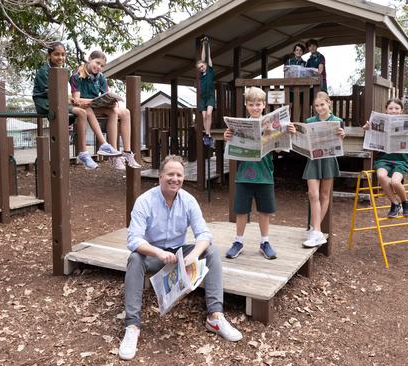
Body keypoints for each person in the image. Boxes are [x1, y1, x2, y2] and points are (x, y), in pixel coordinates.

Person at [119, 155, 242, 361]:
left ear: (183, 178)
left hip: (179, 254)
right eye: (170, 174)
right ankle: (132, 326)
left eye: (179, 175)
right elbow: (133, 240)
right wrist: (158, 253)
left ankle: (215, 317)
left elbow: (204, 235)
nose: (174, 179)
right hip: (154, 254)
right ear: (160, 177)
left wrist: (192, 256)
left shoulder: (188, 200)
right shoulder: (145, 201)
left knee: (210, 252)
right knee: (134, 259)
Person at [223, 87, 296, 260]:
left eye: (258, 104)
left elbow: (282, 150)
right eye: (251, 104)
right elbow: (232, 147)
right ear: (246, 106)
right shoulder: (239, 125)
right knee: (241, 210)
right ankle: (238, 241)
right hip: (243, 174)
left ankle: (265, 242)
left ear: (264, 105)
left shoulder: (271, 124)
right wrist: (228, 136)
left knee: (265, 210)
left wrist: (289, 133)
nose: (255, 107)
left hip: (265, 174)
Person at [32, 42, 108, 170]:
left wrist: (73, 101)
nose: (60, 58)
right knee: (80, 111)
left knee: (84, 111)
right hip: (44, 102)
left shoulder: (60, 70)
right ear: (49, 55)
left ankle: (87, 151)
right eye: (56, 54)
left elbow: (60, 94)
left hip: (57, 101)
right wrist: (73, 100)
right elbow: (51, 93)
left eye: (63, 55)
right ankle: (83, 152)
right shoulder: (44, 71)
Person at [70, 50, 142, 171]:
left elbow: (105, 94)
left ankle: (127, 152)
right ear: (89, 59)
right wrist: (91, 101)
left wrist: (111, 102)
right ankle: (113, 155)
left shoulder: (101, 77)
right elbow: (76, 99)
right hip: (85, 106)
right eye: (97, 63)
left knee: (124, 112)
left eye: (102, 66)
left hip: (96, 105)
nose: (98, 67)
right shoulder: (77, 75)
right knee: (111, 111)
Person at [363, 98, 408, 218]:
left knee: (395, 182)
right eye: (390, 108)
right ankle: (395, 204)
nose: (393, 110)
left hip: (401, 160)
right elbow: (370, 139)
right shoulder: (381, 122)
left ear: (401, 110)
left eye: (396, 108)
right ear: (386, 111)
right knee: (380, 175)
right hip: (384, 159)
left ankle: (405, 203)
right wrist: (367, 129)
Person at [302, 92, 346, 247]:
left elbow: (339, 144)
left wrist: (342, 135)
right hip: (313, 160)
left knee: (324, 195)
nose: (319, 108)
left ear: (329, 103)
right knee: (312, 194)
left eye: (322, 104)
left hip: (328, 160)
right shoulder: (309, 121)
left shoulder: (337, 121)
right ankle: (317, 232)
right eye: (316, 105)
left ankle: (315, 231)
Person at [197, 36, 216, 147]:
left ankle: (208, 134)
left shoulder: (210, 71)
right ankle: (207, 134)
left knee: (209, 114)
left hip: (210, 97)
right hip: (203, 98)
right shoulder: (201, 76)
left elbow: (205, 58)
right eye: (200, 67)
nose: (202, 68)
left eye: (203, 66)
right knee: (204, 116)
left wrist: (205, 44)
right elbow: (202, 60)